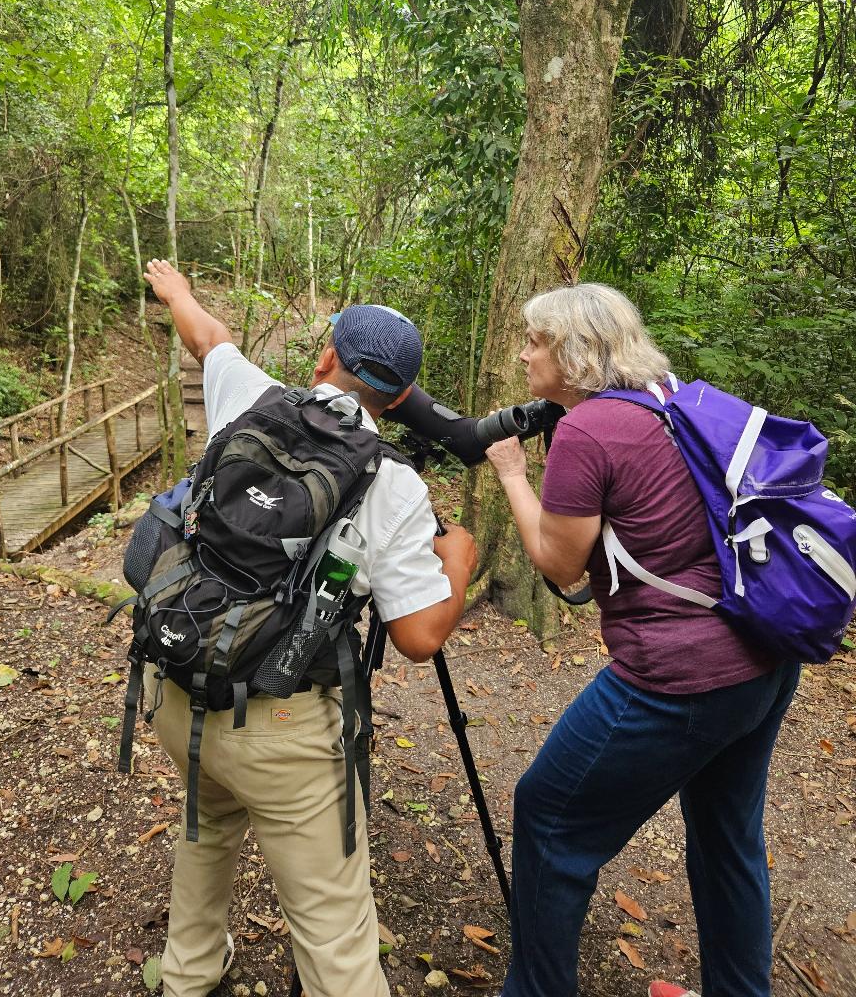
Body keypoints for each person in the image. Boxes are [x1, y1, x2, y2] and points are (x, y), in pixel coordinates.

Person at [141, 258, 477, 997]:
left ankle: (188, 975)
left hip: (178, 683)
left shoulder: (250, 396)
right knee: (333, 928)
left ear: (325, 356)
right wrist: (461, 557)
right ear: (398, 398)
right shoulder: (396, 485)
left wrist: (177, 293)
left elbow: (209, 340)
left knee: (206, 831)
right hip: (284, 729)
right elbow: (420, 637)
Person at [484, 283, 799, 997]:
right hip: (764, 656)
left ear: (569, 351)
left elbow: (560, 564)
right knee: (728, 840)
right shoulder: (677, 402)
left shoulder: (589, 430)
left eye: (534, 340)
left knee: (549, 817)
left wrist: (512, 474)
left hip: (681, 678)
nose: (524, 353)